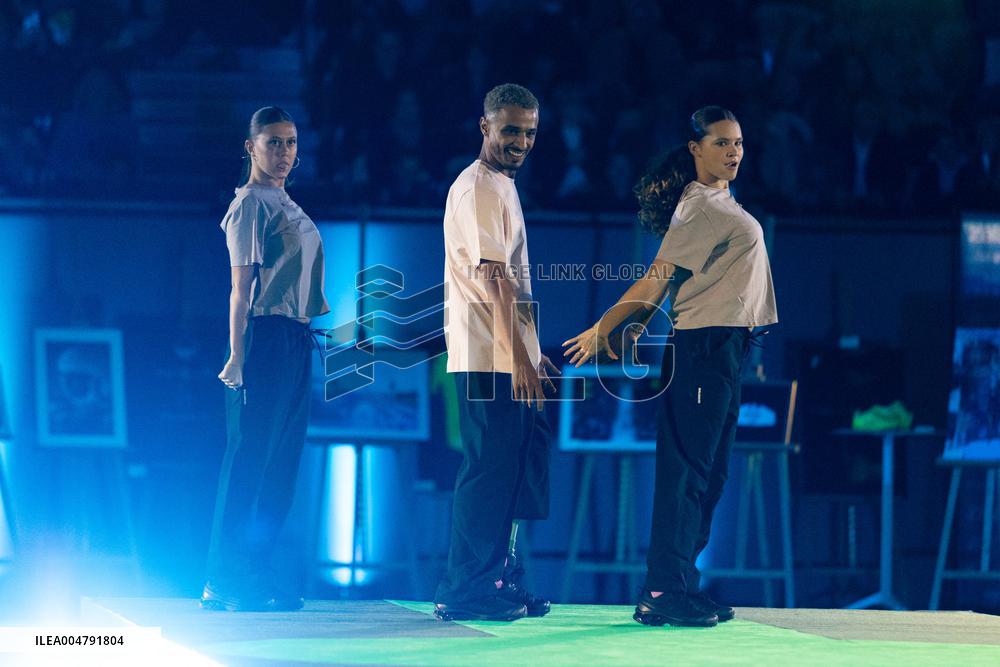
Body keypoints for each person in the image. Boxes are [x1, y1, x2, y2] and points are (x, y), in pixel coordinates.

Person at [563, 106, 777, 627]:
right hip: (701, 350)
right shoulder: (698, 207)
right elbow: (655, 280)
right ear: (695, 149)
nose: (733, 152)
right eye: (722, 143)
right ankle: (661, 589)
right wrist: (605, 327)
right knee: (687, 473)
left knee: (711, 474)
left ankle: (680, 583)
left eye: (739, 143)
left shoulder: (720, 201)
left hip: (727, 349)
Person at [434, 83, 559, 622]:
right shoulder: (481, 187)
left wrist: (530, 348)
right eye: (511, 130)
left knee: (511, 471)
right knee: (489, 471)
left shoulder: (500, 186)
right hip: (489, 355)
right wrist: (520, 357)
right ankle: (465, 587)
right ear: (484, 126)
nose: (522, 142)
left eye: (530, 132)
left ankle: (501, 578)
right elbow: (494, 280)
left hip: (504, 350)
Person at [201, 106, 330, 612]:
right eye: (273, 142)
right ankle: (224, 576)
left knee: (281, 463)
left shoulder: (284, 201)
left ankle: (254, 570)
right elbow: (240, 290)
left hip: (296, 339)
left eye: (291, 142)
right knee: (251, 460)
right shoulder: (251, 204)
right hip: (265, 339)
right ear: (250, 146)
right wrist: (237, 357)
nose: (284, 152)